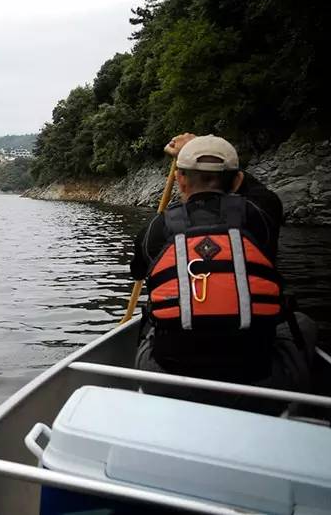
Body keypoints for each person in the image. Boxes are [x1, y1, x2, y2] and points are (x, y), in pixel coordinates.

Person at [131, 133, 316, 401]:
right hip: (259, 379)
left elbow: (138, 273)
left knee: (151, 322)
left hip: (167, 379)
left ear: (180, 179)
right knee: (303, 323)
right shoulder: (262, 216)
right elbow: (263, 195)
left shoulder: (153, 231)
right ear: (237, 180)